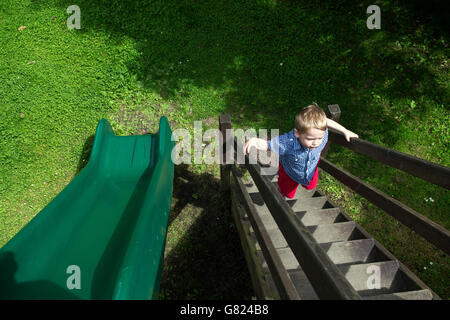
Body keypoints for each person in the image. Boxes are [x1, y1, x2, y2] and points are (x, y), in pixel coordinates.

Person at [243, 104, 359, 199]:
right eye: (310, 139)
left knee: (310, 186)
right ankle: (280, 190)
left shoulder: (320, 132)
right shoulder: (288, 142)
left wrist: (345, 130)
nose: (316, 142)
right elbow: (268, 145)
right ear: (297, 133)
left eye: (319, 138)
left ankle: (302, 182)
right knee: (287, 194)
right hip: (289, 172)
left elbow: (326, 122)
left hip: (310, 169)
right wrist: (254, 141)